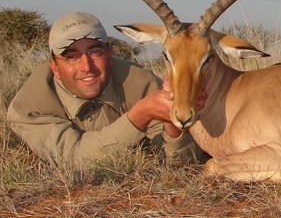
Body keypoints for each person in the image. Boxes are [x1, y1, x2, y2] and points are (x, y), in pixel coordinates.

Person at [7, 11, 205, 167]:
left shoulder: (141, 83)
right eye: (71, 56)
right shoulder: (29, 108)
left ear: (110, 54)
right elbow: (76, 161)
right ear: (54, 67)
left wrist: (172, 124)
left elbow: (182, 163)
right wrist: (139, 116)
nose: (86, 66)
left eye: (95, 52)